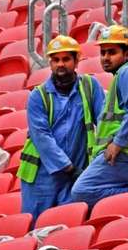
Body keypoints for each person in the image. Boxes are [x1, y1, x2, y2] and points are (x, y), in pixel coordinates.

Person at [17, 35, 105, 223]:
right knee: (36, 226)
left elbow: (105, 123)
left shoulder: (90, 87)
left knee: (70, 224)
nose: (60, 64)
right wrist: (69, 168)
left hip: (76, 171)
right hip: (40, 177)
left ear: (76, 61)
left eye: (66, 59)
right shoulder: (38, 96)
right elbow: (42, 137)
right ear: (50, 63)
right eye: (56, 60)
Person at [71, 25, 128, 209]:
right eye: (103, 53)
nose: (105, 57)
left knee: (82, 190)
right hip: (125, 153)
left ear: (127, 53)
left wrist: (118, 142)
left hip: (126, 152)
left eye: (112, 52)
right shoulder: (121, 76)